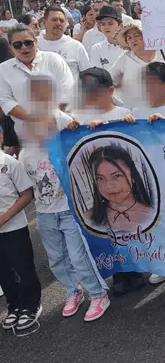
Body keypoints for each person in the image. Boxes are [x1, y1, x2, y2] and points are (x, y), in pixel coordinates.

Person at [20, 75, 110, 322]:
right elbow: (25, 184)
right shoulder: (26, 154)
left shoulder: (64, 132)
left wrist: (89, 128)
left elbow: (85, 141)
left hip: (69, 209)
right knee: (57, 259)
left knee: (80, 256)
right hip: (45, 214)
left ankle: (98, 294)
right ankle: (73, 291)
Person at [66, 68, 146, 297]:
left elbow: (135, 145)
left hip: (124, 186)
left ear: (110, 90)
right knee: (110, 230)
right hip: (100, 186)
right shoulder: (79, 118)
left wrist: (129, 123)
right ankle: (119, 274)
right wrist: (73, 128)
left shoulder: (123, 113)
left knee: (131, 229)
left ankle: (136, 271)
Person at [0, 24, 74, 144]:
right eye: (18, 45)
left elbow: (67, 90)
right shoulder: (3, 69)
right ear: (10, 47)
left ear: (36, 41)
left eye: (28, 43)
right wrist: (34, 120)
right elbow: (6, 101)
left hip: (62, 130)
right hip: (27, 136)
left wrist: (50, 119)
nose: (24, 48)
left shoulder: (54, 60)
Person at [0, 123, 40, 331]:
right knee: (3, 272)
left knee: (23, 267)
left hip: (14, 228)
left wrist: (4, 218)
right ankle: (14, 305)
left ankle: (31, 305)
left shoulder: (10, 163)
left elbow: (26, 194)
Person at [110, 21, 165, 109]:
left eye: (137, 36)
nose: (133, 40)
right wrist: (120, 103)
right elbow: (107, 82)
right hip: (135, 112)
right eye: (129, 38)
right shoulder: (124, 59)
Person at [37, 6, 91, 79]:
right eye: (54, 20)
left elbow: (88, 75)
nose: (58, 23)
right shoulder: (34, 45)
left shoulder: (76, 46)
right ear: (44, 22)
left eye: (62, 21)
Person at [90, 5, 125, 71]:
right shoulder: (97, 48)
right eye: (103, 24)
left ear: (120, 25)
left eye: (110, 23)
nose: (106, 27)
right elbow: (98, 74)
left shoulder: (129, 46)